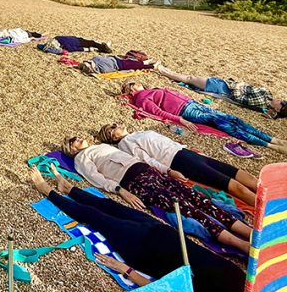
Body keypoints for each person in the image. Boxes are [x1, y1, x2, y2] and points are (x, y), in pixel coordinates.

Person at [29, 167, 245, 292]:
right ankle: (69, 188)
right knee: (110, 205)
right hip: (164, 233)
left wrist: (126, 270)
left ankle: (48, 192)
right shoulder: (250, 282)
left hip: (145, 249)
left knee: (96, 217)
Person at [61, 135, 252, 252]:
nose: (77, 138)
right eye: (73, 141)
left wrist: (167, 170)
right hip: (135, 181)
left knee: (200, 200)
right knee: (189, 210)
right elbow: (96, 178)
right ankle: (239, 244)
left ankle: (249, 233)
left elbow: (139, 157)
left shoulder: (101, 147)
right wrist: (120, 191)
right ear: (71, 149)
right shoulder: (81, 158)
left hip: (148, 171)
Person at [97, 123, 257, 206]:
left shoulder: (136, 133)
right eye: (112, 128)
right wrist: (168, 171)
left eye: (114, 124)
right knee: (235, 187)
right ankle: (271, 211)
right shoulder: (125, 143)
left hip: (187, 154)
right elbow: (146, 159)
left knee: (244, 176)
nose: (116, 125)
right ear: (112, 138)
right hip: (179, 161)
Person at [121, 81, 287, 152]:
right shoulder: (141, 97)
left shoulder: (148, 90)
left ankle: (272, 139)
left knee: (233, 119)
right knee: (223, 123)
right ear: (130, 89)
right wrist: (181, 120)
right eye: (132, 83)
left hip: (192, 103)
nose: (136, 83)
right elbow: (158, 112)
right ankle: (269, 145)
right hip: (186, 111)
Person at [154, 64, 287, 119]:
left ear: (277, 109)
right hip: (228, 83)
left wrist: (239, 85)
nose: (280, 100)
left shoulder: (262, 103)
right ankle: (167, 72)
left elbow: (238, 97)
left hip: (225, 88)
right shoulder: (268, 95)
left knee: (191, 78)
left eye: (281, 103)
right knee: (192, 79)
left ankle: (164, 71)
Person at [80, 55, 154, 75]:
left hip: (117, 60)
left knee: (132, 62)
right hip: (119, 65)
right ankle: (149, 64)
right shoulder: (100, 69)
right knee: (134, 65)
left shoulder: (95, 59)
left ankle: (147, 63)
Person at [39, 36, 112, 55]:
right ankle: (104, 47)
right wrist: (87, 49)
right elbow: (73, 49)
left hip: (77, 41)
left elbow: (73, 48)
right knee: (92, 43)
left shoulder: (63, 45)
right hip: (78, 41)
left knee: (92, 43)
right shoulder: (56, 38)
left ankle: (103, 46)